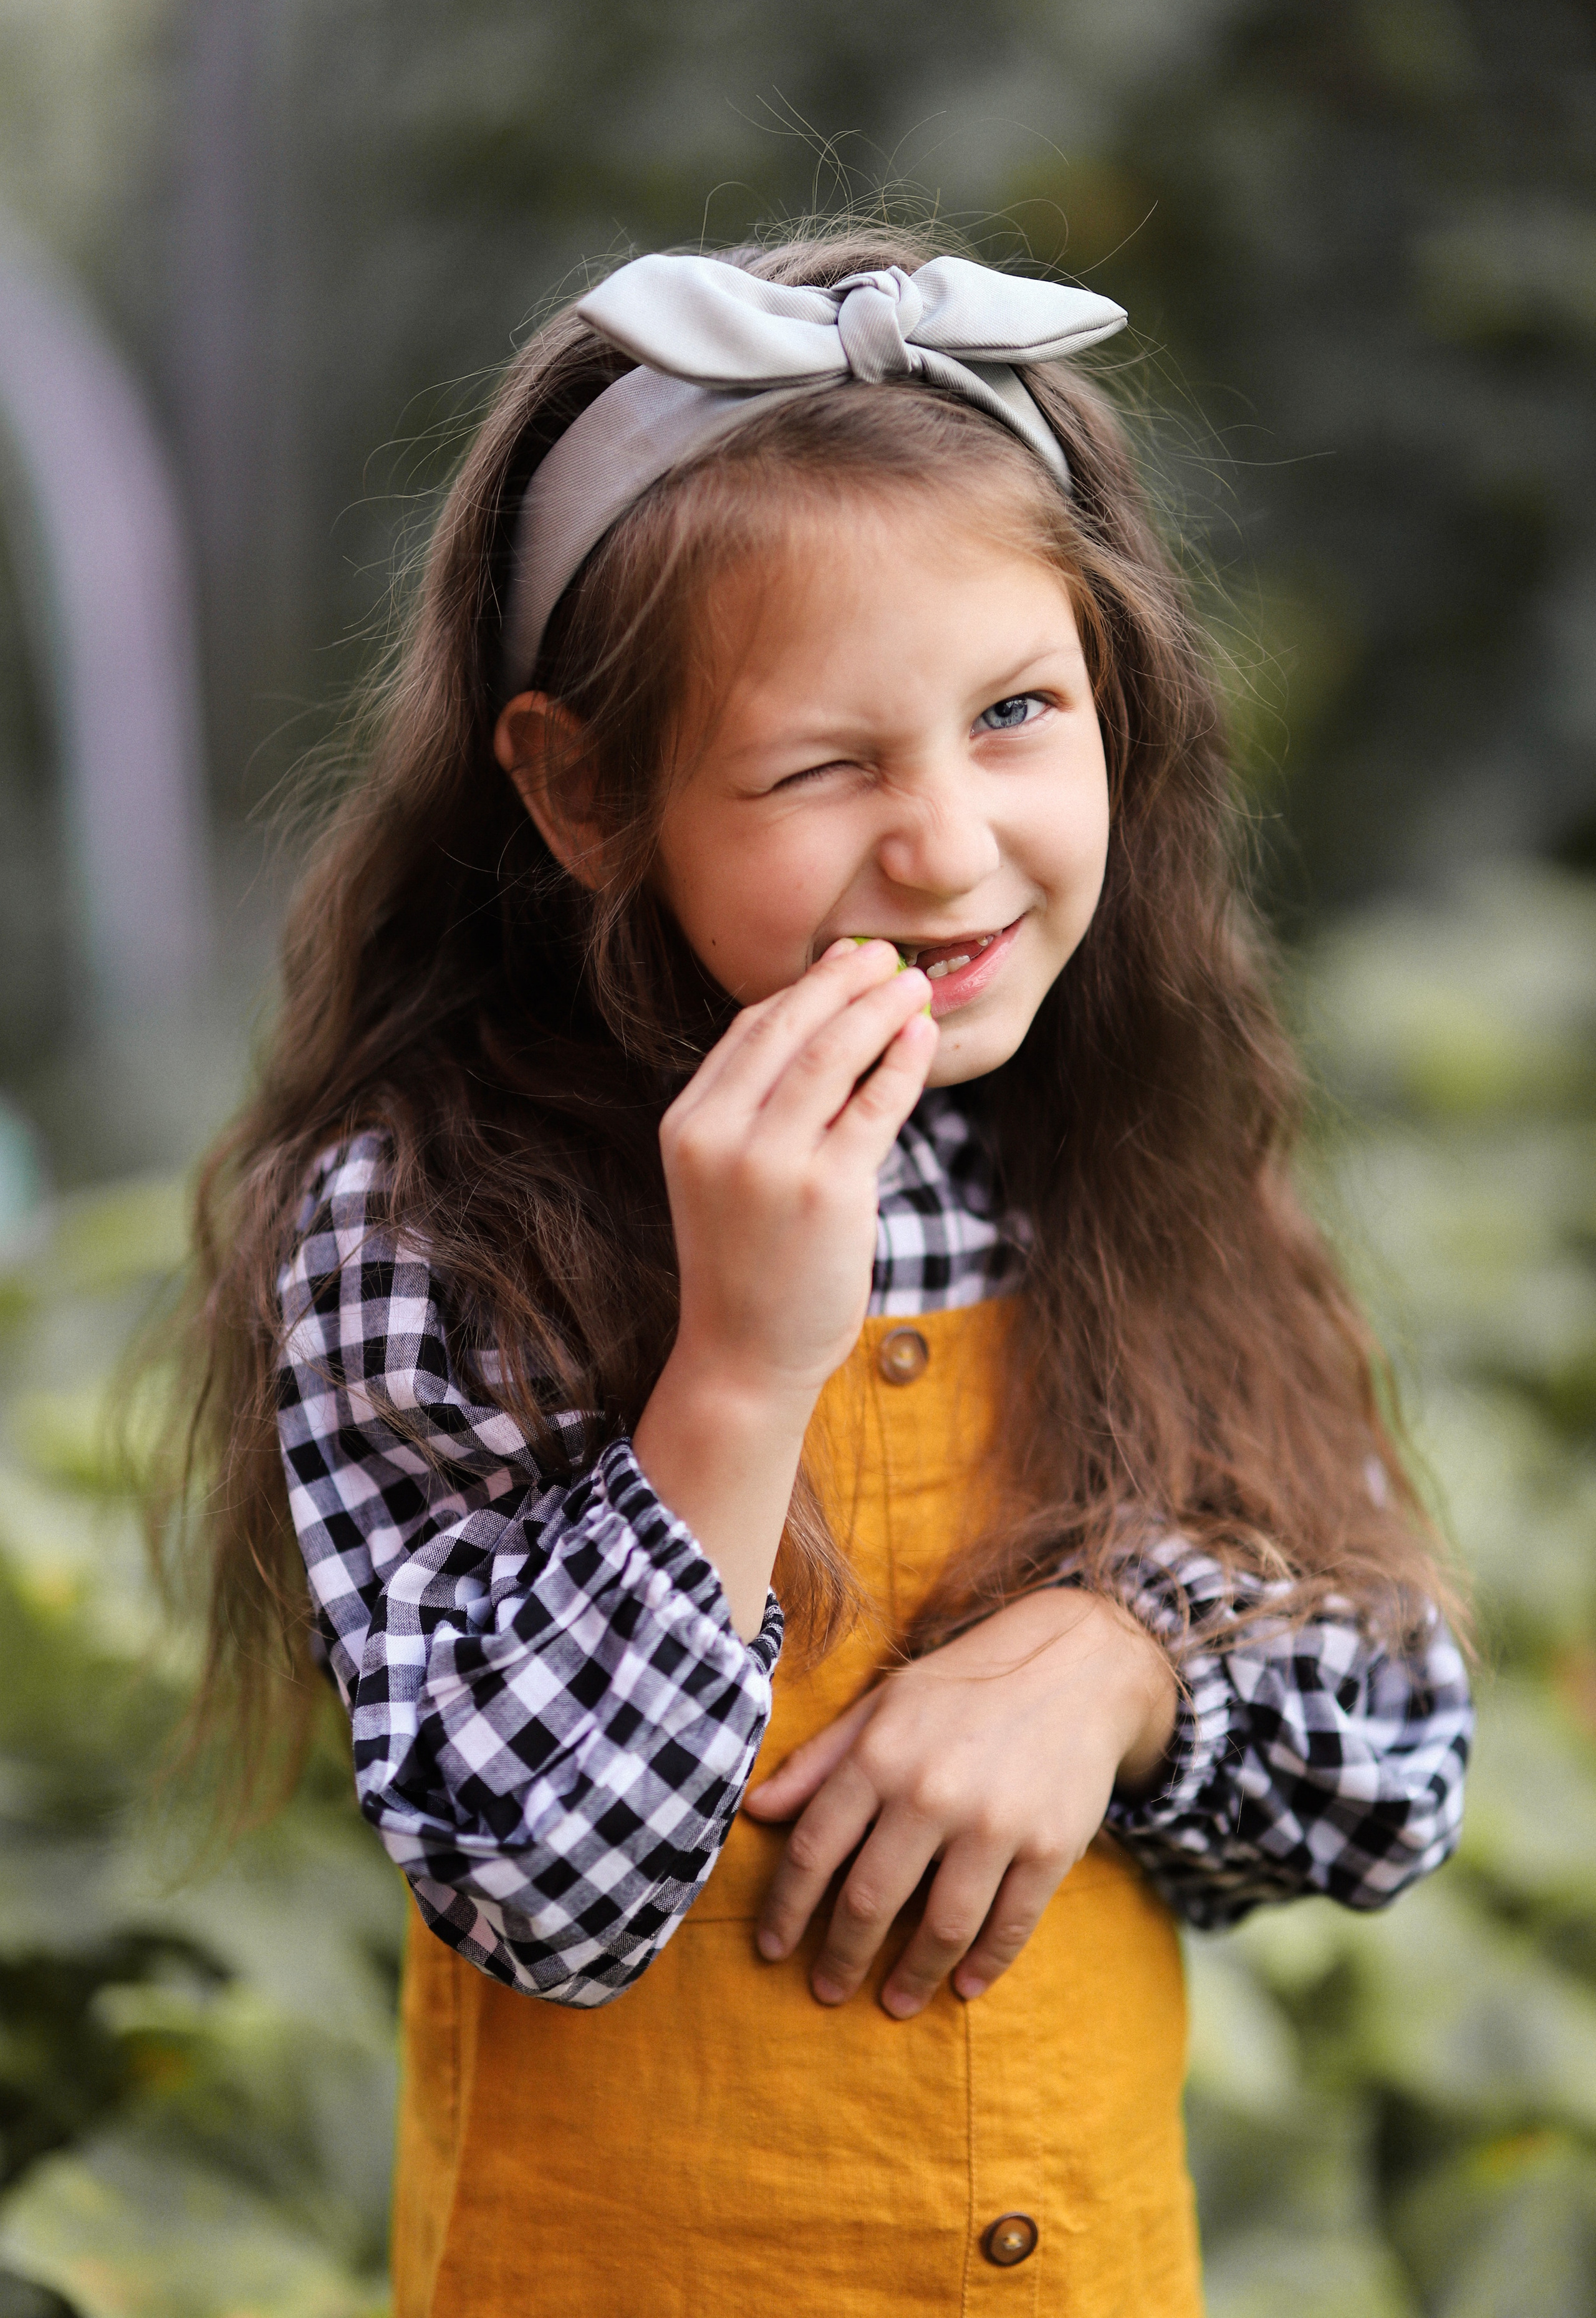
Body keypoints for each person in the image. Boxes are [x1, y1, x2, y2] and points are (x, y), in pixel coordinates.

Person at [173, 227, 1473, 2316]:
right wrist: (739, 1367)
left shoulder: (1120, 1153)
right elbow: (543, 1887)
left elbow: (1396, 1767)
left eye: (1016, 713)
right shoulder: (430, 1222)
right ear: (584, 790)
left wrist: (1116, 1665)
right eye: (825, 765)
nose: (947, 845)